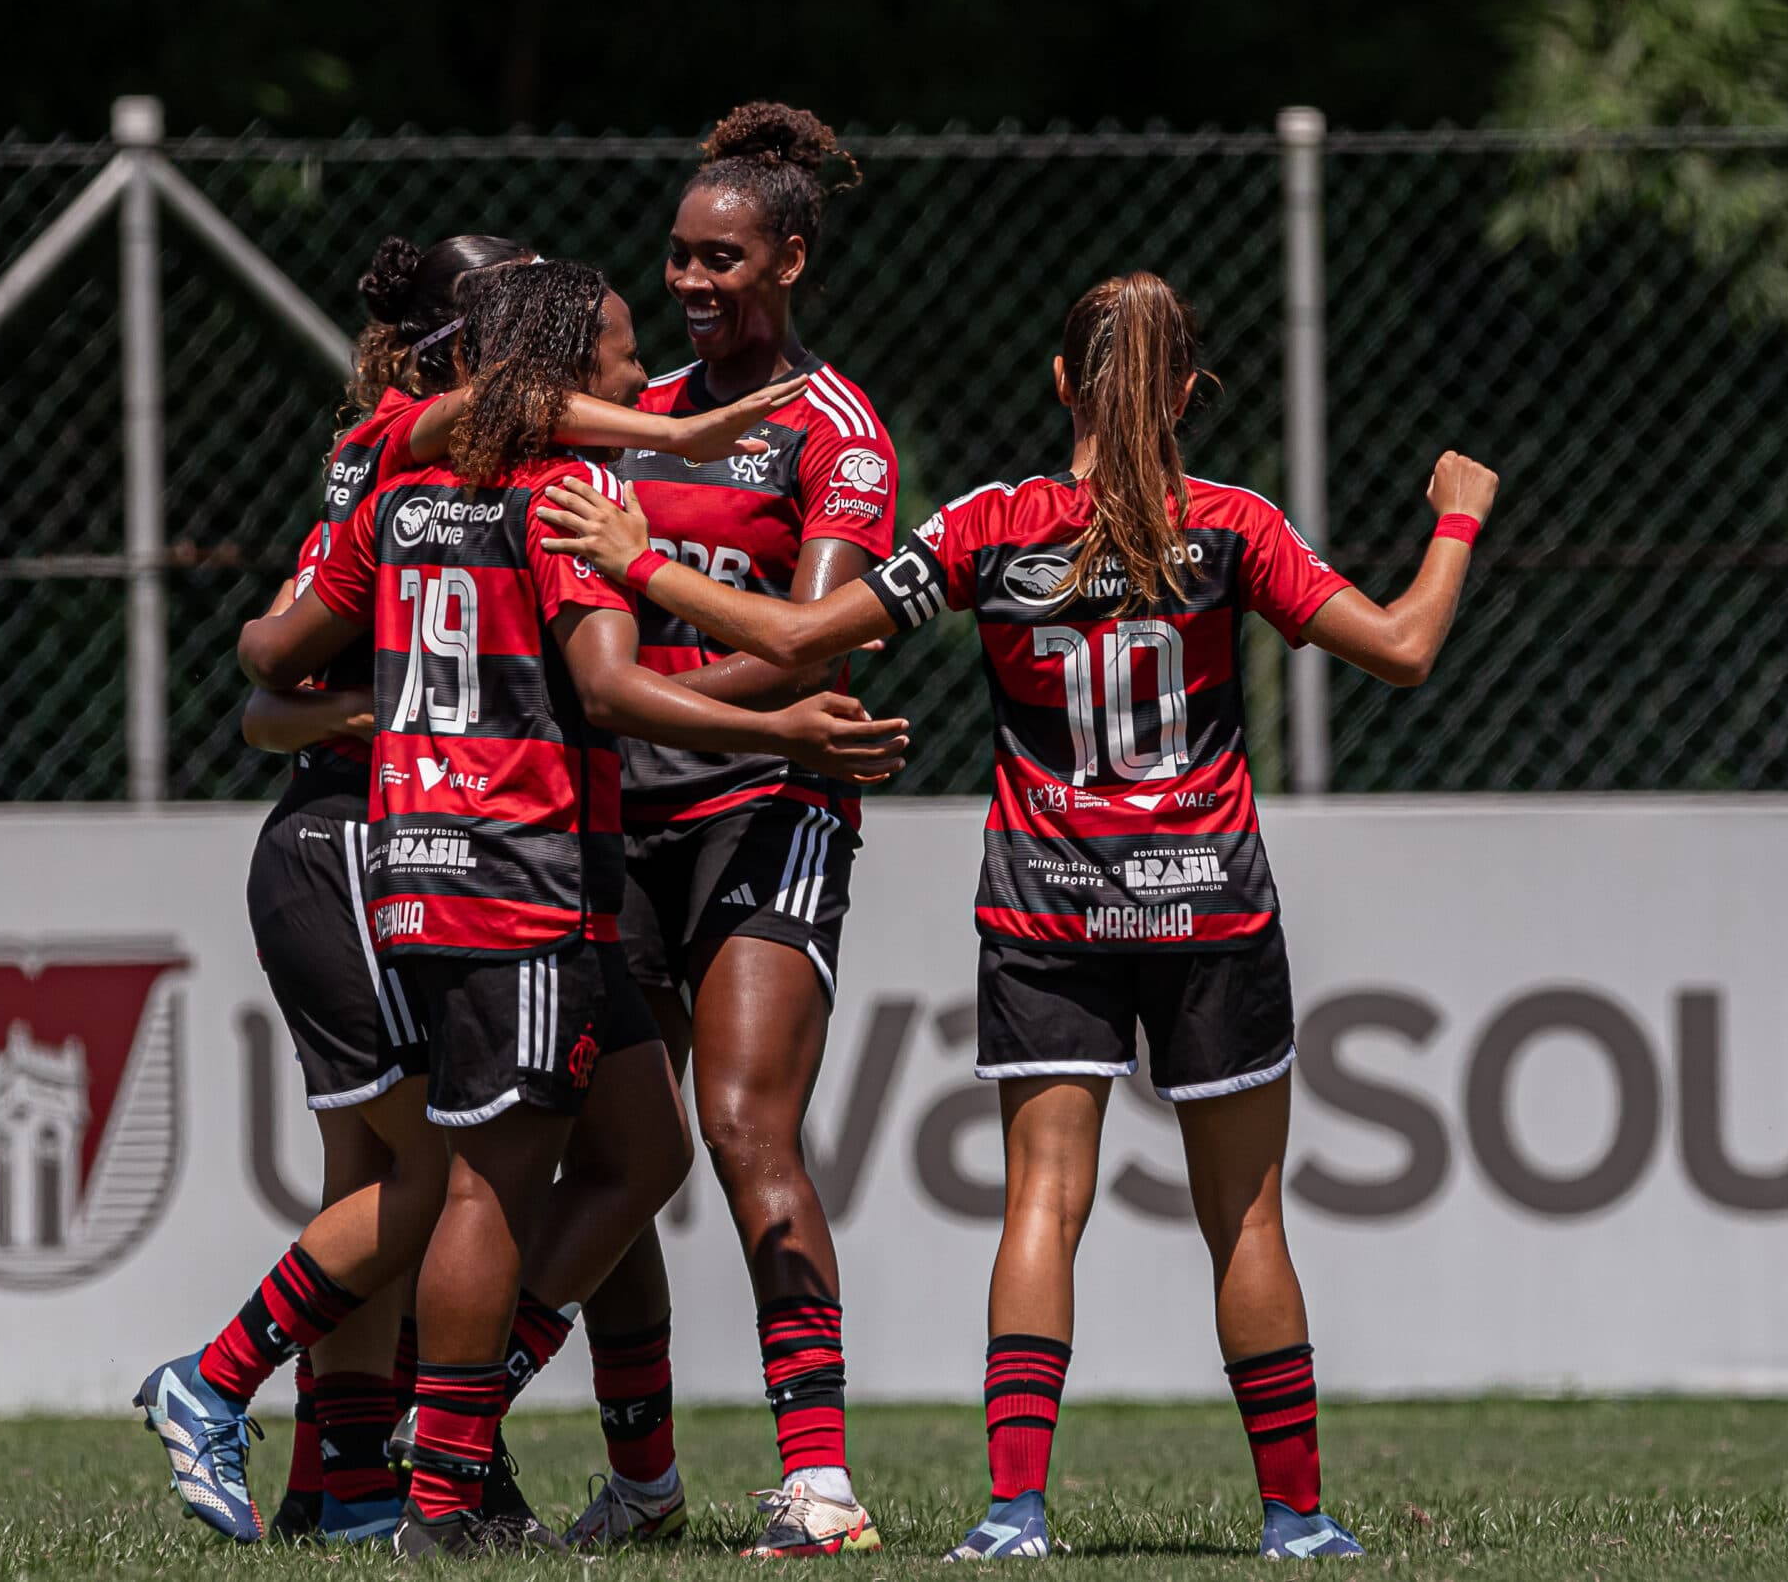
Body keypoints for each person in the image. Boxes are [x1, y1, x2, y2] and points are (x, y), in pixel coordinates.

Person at [539, 269, 1500, 1563]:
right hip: (1210, 903)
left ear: (1062, 382)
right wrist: (1454, 522)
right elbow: (1402, 648)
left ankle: (1013, 1514)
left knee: (1042, 1204)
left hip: (1050, 908)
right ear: (1190, 390)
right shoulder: (1232, 525)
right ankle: (1297, 1520)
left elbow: (800, 624)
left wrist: (639, 562)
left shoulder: (988, 526)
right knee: (1250, 1220)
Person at [135, 233, 814, 1548]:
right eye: (624, 364)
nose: (648, 387)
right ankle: (339, 1439)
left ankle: (371, 1473)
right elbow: (609, 680)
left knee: (629, 1150)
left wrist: (394, 689)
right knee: (461, 1181)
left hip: (452, 860)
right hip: (497, 868)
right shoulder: (527, 483)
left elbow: (269, 653)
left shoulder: (404, 488)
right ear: (543, 373)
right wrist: (788, 700)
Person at [564, 102, 901, 1560]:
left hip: (768, 798)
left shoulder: (836, 431)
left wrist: (666, 691)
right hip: (620, 810)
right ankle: (643, 1482)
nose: (695, 283)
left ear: (792, 263)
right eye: (681, 259)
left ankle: (819, 1480)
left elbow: (812, 649)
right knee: (619, 1153)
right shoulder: (648, 424)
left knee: (746, 1121)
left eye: (724, 259)